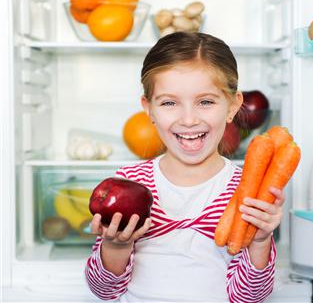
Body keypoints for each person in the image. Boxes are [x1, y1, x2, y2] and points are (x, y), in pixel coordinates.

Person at [85, 32, 285, 302]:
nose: (189, 119)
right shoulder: (130, 181)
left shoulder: (246, 190)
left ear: (232, 107)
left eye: (205, 102)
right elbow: (104, 291)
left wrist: (260, 241)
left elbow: (250, 297)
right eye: (169, 103)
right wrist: (115, 245)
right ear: (149, 110)